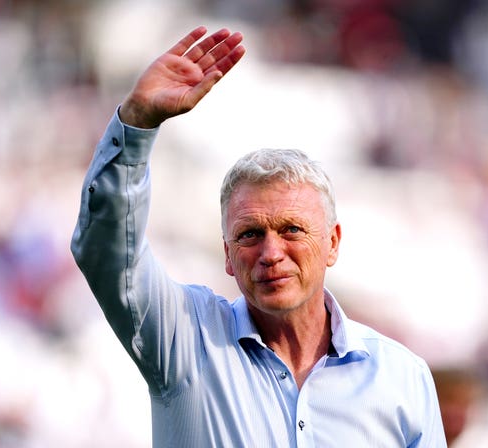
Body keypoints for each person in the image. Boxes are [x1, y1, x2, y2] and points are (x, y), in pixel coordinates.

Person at [71, 26, 446, 447]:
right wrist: (136, 125)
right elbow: (107, 253)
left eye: (292, 230)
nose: (271, 252)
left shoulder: (401, 378)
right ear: (228, 255)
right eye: (250, 234)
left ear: (333, 243)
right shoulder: (186, 341)